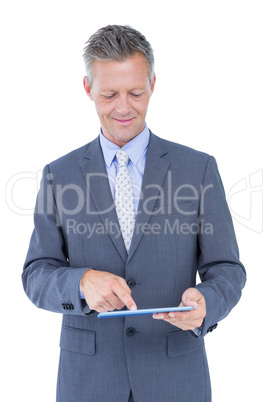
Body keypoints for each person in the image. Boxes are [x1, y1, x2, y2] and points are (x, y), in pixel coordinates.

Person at [22, 25, 246, 402]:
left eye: (136, 93)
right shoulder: (57, 175)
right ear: (88, 89)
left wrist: (206, 304)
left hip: (176, 381)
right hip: (88, 383)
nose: (124, 108)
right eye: (109, 94)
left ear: (153, 84)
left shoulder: (199, 168)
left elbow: (228, 269)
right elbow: (36, 274)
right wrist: (80, 283)